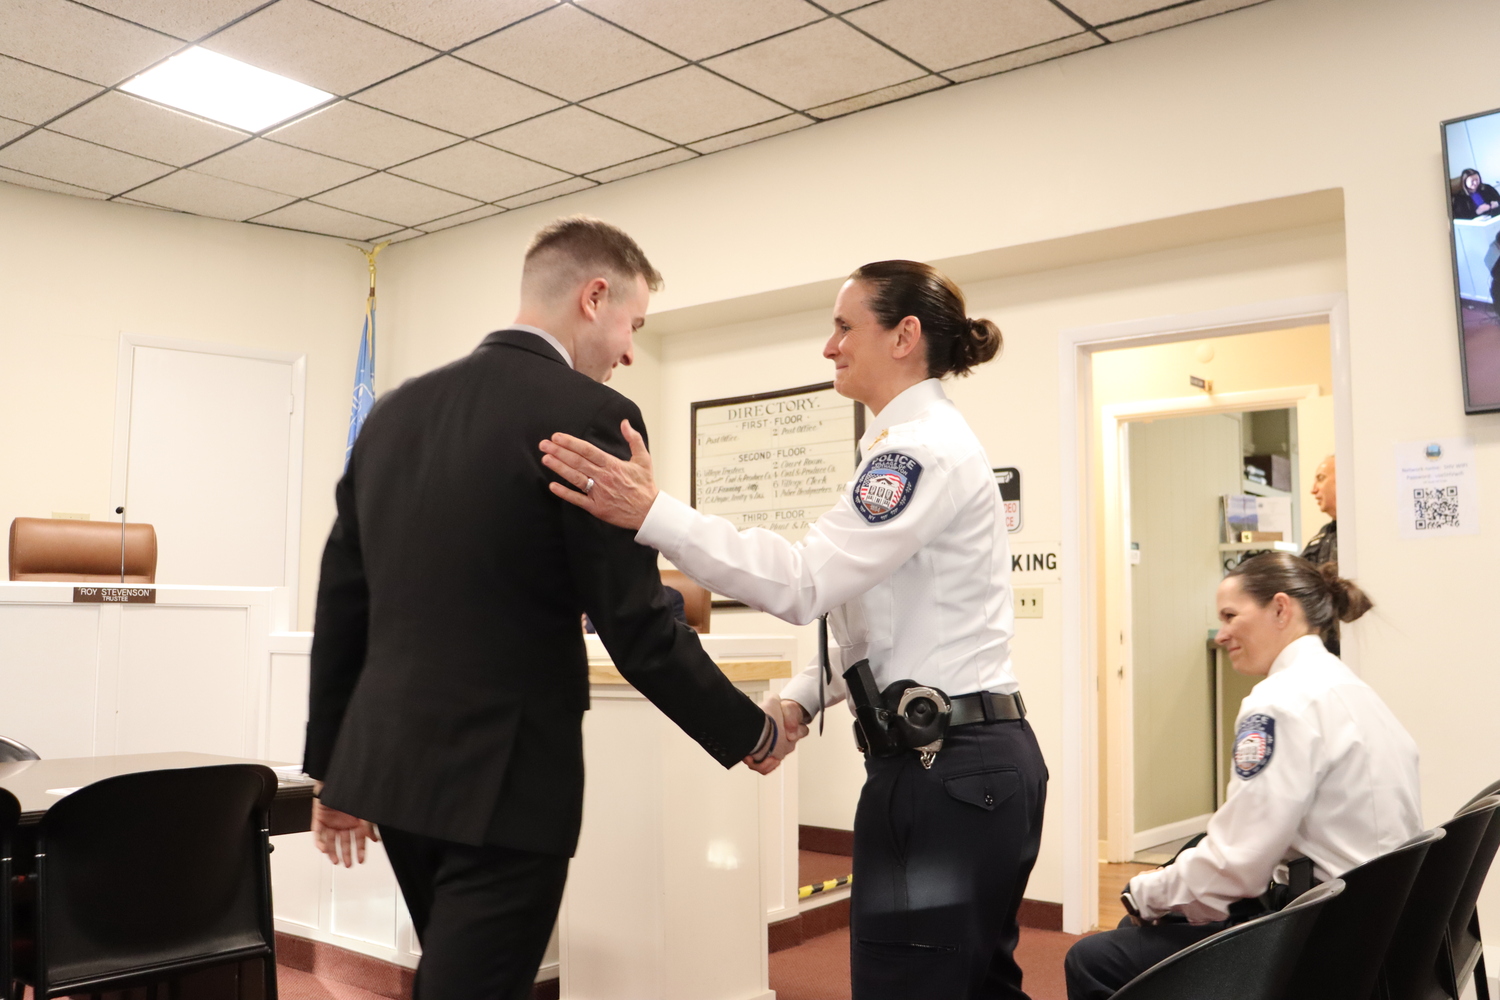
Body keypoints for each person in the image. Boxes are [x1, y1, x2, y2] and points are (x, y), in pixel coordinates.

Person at [303, 217, 790, 1000]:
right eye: (633, 324)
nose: (630, 350)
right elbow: (635, 624)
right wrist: (750, 731)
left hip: (395, 774)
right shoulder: (591, 417)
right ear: (595, 298)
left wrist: (335, 767)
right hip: (507, 777)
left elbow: (344, 605)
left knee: (459, 975)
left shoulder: (393, 414)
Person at [540, 260, 1048, 1000]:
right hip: (954, 765)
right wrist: (803, 700)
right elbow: (877, 630)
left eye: (845, 327)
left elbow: (806, 583)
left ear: (904, 336)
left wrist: (654, 514)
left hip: (949, 772)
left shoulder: (920, 450)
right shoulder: (906, 445)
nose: (829, 346)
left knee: (918, 984)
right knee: (960, 981)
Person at [1063, 552, 1420, 1000]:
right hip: (1380, 926)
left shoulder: (1279, 702)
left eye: (1231, 616)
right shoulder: (1351, 688)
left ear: (1280, 608)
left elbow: (1238, 866)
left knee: (1095, 957)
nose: (1223, 634)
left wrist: (1144, 893)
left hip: (1321, 942)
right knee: (1170, 892)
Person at [1301, 453, 1338, 652]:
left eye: (1321, 479)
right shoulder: (1323, 535)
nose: (1313, 490)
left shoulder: (1365, 532)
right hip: (1327, 648)